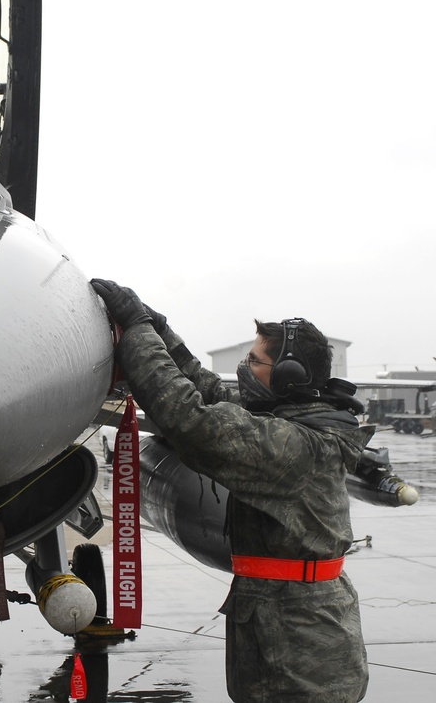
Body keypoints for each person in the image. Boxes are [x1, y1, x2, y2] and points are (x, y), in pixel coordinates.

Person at [90, 278, 370, 703]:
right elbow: (211, 392)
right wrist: (160, 331)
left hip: (301, 653)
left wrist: (136, 329)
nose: (243, 366)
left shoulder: (292, 445)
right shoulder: (295, 420)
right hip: (289, 628)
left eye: (254, 360)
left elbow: (190, 418)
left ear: (287, 377)